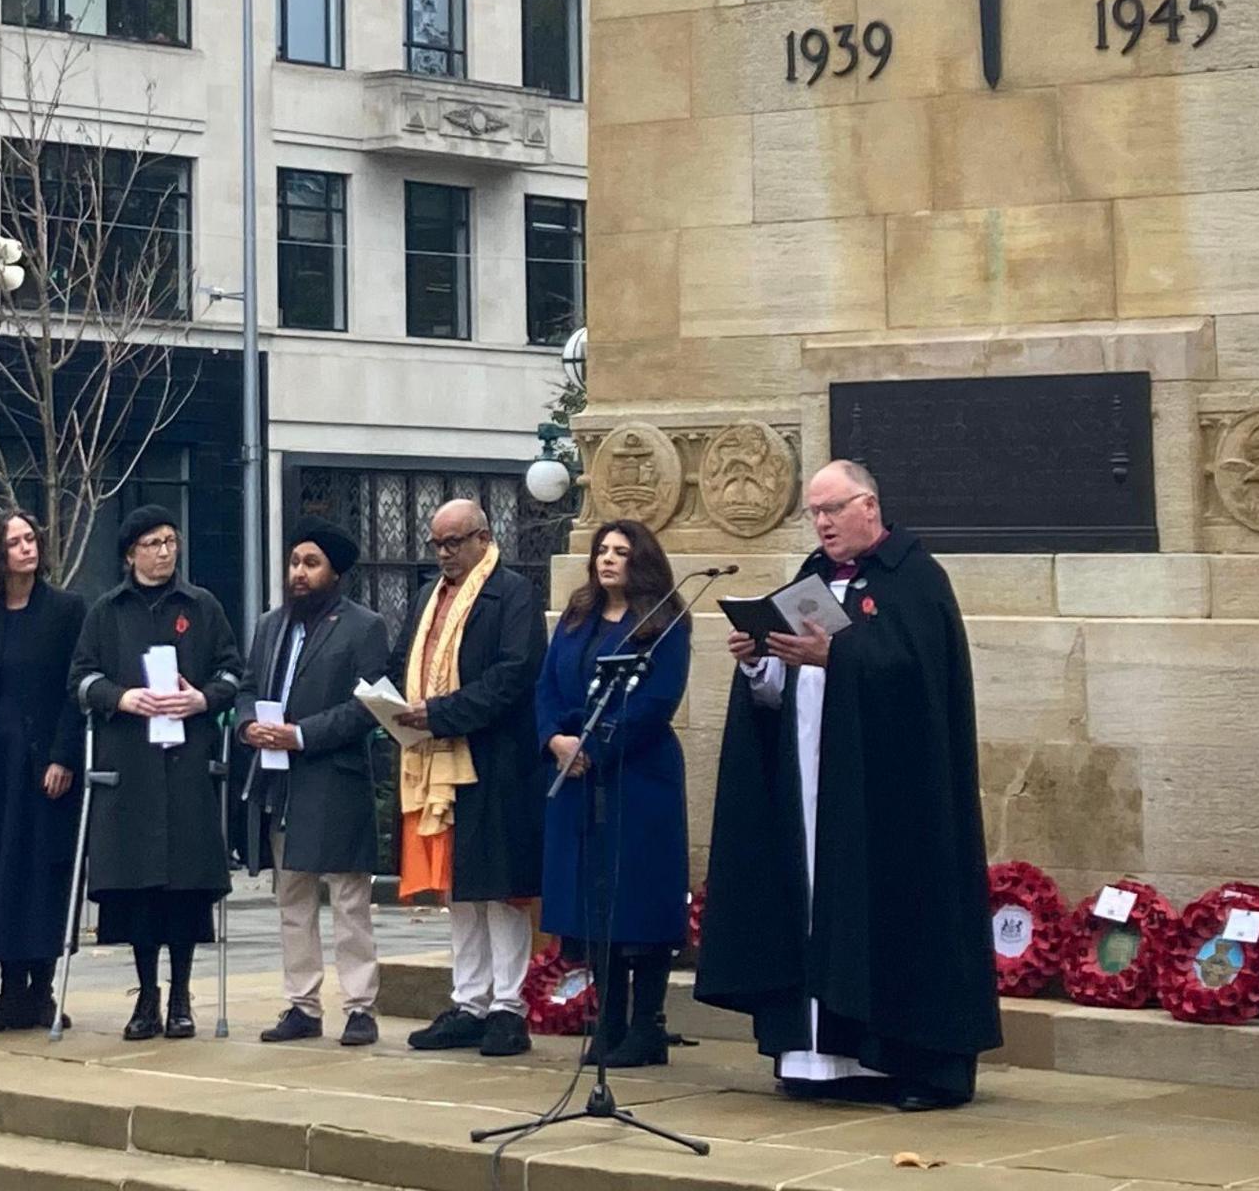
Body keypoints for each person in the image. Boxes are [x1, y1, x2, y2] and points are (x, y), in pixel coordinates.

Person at [696, 458, 997, 1111]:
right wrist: (759, 664)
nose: (823, 523)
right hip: (811, 788)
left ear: (870, 507)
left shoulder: (915, 580)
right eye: (814, 513)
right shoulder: (809, 580)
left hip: (890, 797)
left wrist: (840, 655)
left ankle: (914, 1064)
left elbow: (920, 681)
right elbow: (785, 692)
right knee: (815, 911)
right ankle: (820, 1059)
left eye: (833, 510)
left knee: (892, 916)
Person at [68, 505, 240, 1041]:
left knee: (184, 888)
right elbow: (80, 678)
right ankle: (146, 995)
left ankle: (183, 994)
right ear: (130, 554)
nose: (164, 552)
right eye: (152, 544)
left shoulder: (202, 606)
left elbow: (234, 671)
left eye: (170, 541)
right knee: (140, 890)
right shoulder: (107, 610)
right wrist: (122, 697)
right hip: (131, 765)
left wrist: (202, 699)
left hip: (186, 765)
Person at [388, 497, 545, 1058]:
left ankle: (508, 1008)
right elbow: (403, 659)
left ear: (483, 538)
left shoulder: (514, 594)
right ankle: (469, 1002)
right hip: (436, 758)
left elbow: (514, 675)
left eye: (454, 542)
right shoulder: (428, 597)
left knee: (500, 891)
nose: (444, 554)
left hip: (495, 758)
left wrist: (441, 713)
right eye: (437, 544)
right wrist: (387, 702)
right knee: (459, 888)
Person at [231, 518, 393, 1047]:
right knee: (292, 896)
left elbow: (368, 706)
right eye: (295, 563)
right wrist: (247, 723)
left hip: (334, 775)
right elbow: (248, 687)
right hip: (280, 782)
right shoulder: (270, 625)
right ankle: (302, 1003)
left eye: (311, 564)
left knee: (348, 898)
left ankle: (360, 1006)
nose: (299, 574)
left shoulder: (363, 626)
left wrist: (301, 735)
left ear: (335, 573)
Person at [537, 518, 693, 1070]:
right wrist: (555, 739)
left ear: (641, 560)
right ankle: (609, 1020)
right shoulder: (577, 617)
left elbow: (656, 702)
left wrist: (595, 748)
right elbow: (548, 686)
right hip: (576, 775)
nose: (607, 560)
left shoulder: (664, 621)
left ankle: (648, 1023)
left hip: (637, 776)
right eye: (602, 550)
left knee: (640, 898)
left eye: (621, 552)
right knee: (593, 897)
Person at [0, 510, 90, 1034]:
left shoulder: (68, 612)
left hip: (43, 768)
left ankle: (42, 991)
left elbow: (76, 693)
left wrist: (64, 756)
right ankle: (9, 993)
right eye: (15, 542)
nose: (27, 548)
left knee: (41, 873)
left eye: (31, 539)